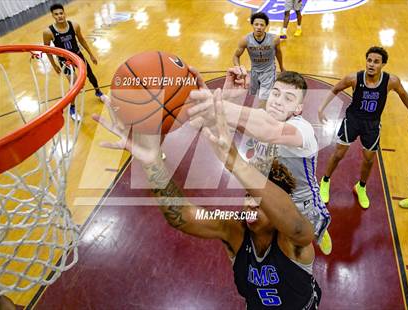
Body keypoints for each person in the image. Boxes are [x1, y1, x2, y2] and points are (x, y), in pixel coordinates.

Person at [93, 93, 321, 309]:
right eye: (248, 196)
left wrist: (235, 162)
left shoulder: (293, 243)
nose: (250, 204)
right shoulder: (235, 226)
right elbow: (182, 217)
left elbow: (300, 228)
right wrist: (152, 162)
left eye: (260, 202)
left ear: (280, 208)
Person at [187, 69, 332, 255]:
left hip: (302, 202)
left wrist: (217, 104)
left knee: (303, 243)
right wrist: (229, 99)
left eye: (288, 98)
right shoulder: (260, 117)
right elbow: (219, 135)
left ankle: (321, 231)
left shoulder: (303, 130)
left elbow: (269, 129)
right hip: (272, 194)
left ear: (298, 109)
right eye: (276, 93)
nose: (279, 101)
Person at [318, 46, 408, 209]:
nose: (371, 64)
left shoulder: (391, 81)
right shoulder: (354, 78)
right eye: (369, 60)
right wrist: (321, 109)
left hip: (372, 124)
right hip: (352, 120)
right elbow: (335, 89)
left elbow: (404, 95)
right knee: (338, 154)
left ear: (383, 64)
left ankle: (361, 187)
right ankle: (325, 181)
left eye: (376, 62)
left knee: (369, 159)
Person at [43, 3, 104, 121]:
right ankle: (72, 108)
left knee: (90, 74)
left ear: (64, 13)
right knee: (74, 84)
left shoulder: (74, 25)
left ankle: (98, 92)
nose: (59, 16)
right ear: (53, 16)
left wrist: (91, 54)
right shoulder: (48, 32)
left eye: (61, 13)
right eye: (56, 14)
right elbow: (47, 50)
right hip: (64, 60)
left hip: (78, 55)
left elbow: (81, 40)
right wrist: (54, 65)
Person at [233, 12, 285, 109]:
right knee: (256, 94)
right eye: (256, 24)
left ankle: (261, 117)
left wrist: (281, 67)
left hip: (269, 71)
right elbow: (236, 56)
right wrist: (238, 68)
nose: (259, 27)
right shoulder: (245, 40)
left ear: (266, 26)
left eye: (262, 25)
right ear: (252, 25)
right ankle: (271, 104)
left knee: (263, 97)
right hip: (254, 71)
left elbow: (278, 53)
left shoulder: (274, 39)